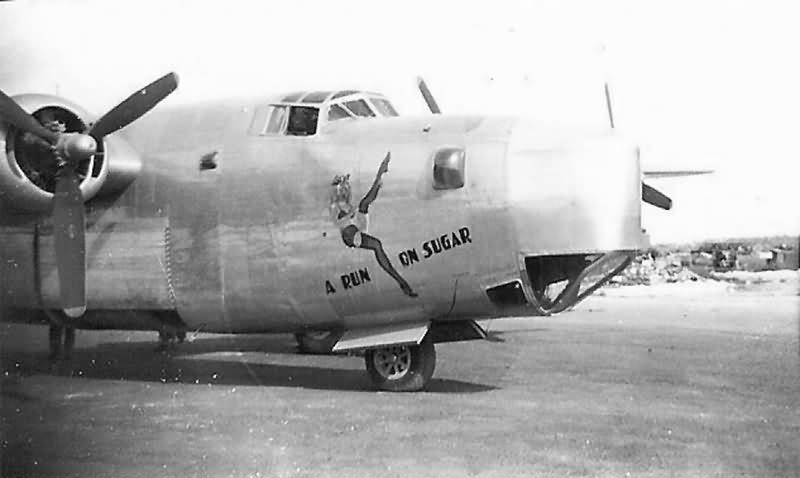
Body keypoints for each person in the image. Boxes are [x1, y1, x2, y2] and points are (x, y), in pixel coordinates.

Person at [330, 152, 417, 297]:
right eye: (342, 187)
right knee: (376, 244)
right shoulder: (334, 206)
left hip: (355, 226)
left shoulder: (343, 200)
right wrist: (349, 211)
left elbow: (350, 208)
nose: (345, 189)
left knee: (365, 203)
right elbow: (340, 218)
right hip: (350, 233)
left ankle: (380, 176)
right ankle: (401, 282)